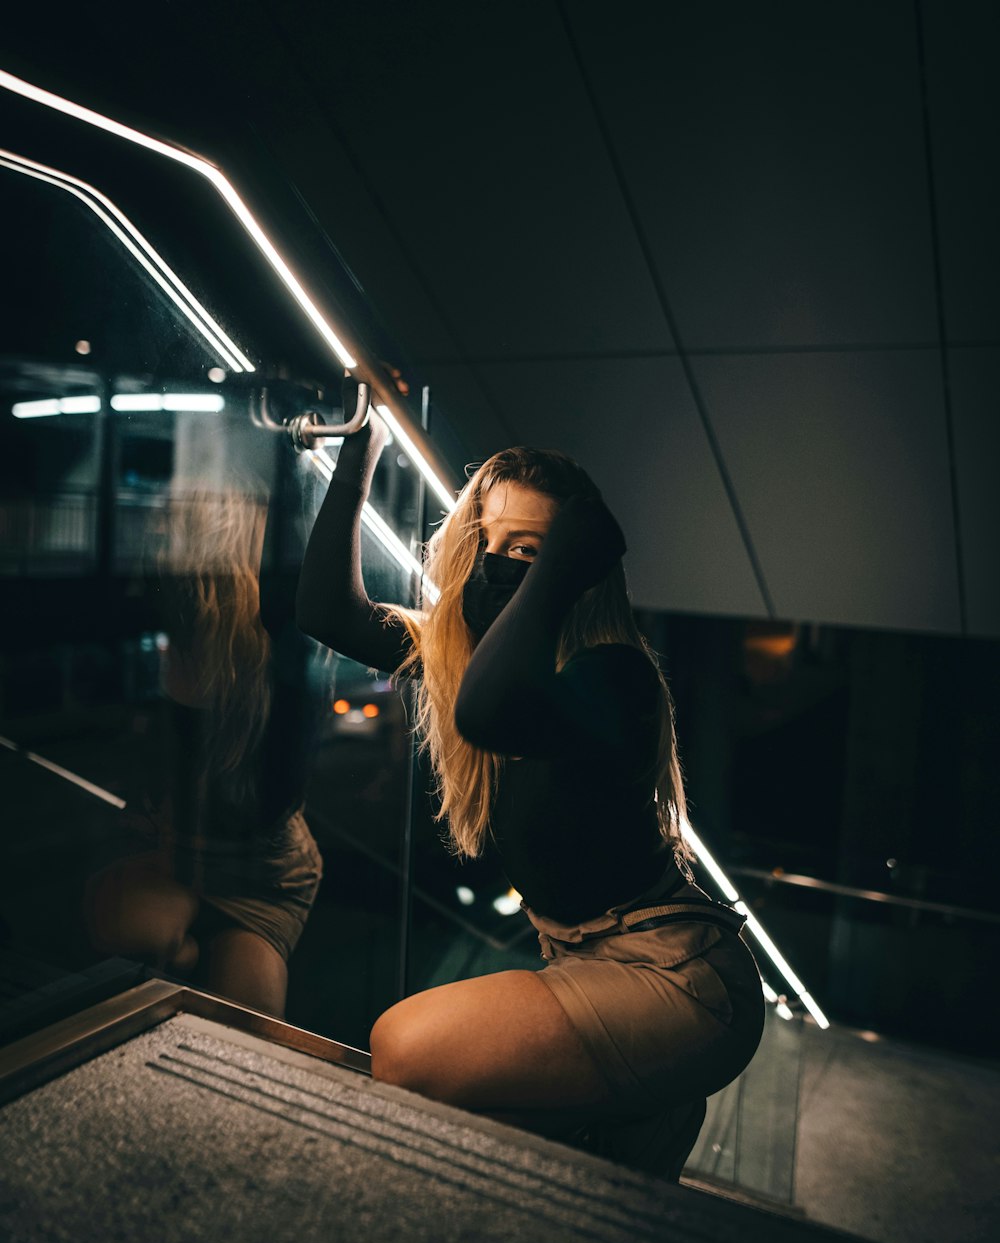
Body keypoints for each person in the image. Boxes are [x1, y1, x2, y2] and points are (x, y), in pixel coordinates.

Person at [295, 414, 764, 1178]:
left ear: (570, 571)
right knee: (486, 1146)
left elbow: (489, 713)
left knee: (402, 1048)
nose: (494, 566)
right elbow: (325, 611)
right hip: (586, 964)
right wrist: (360, 455)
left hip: (677, 981)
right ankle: (635, 1119)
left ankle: (637, 1105)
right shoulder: (474, 663)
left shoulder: (614, 675)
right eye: (485, 541)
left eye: (526, 551)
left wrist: (565, 565)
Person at [85, 481, 325, 1019]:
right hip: (178, 857)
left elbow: (272, 801)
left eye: (167, 526)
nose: (151, 538)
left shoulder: (278, 651)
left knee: (248, 1035)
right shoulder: (160, 623)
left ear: (209, 542)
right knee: (132, 936)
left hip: (264, 875)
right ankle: (182, 945)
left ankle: (186, 945)